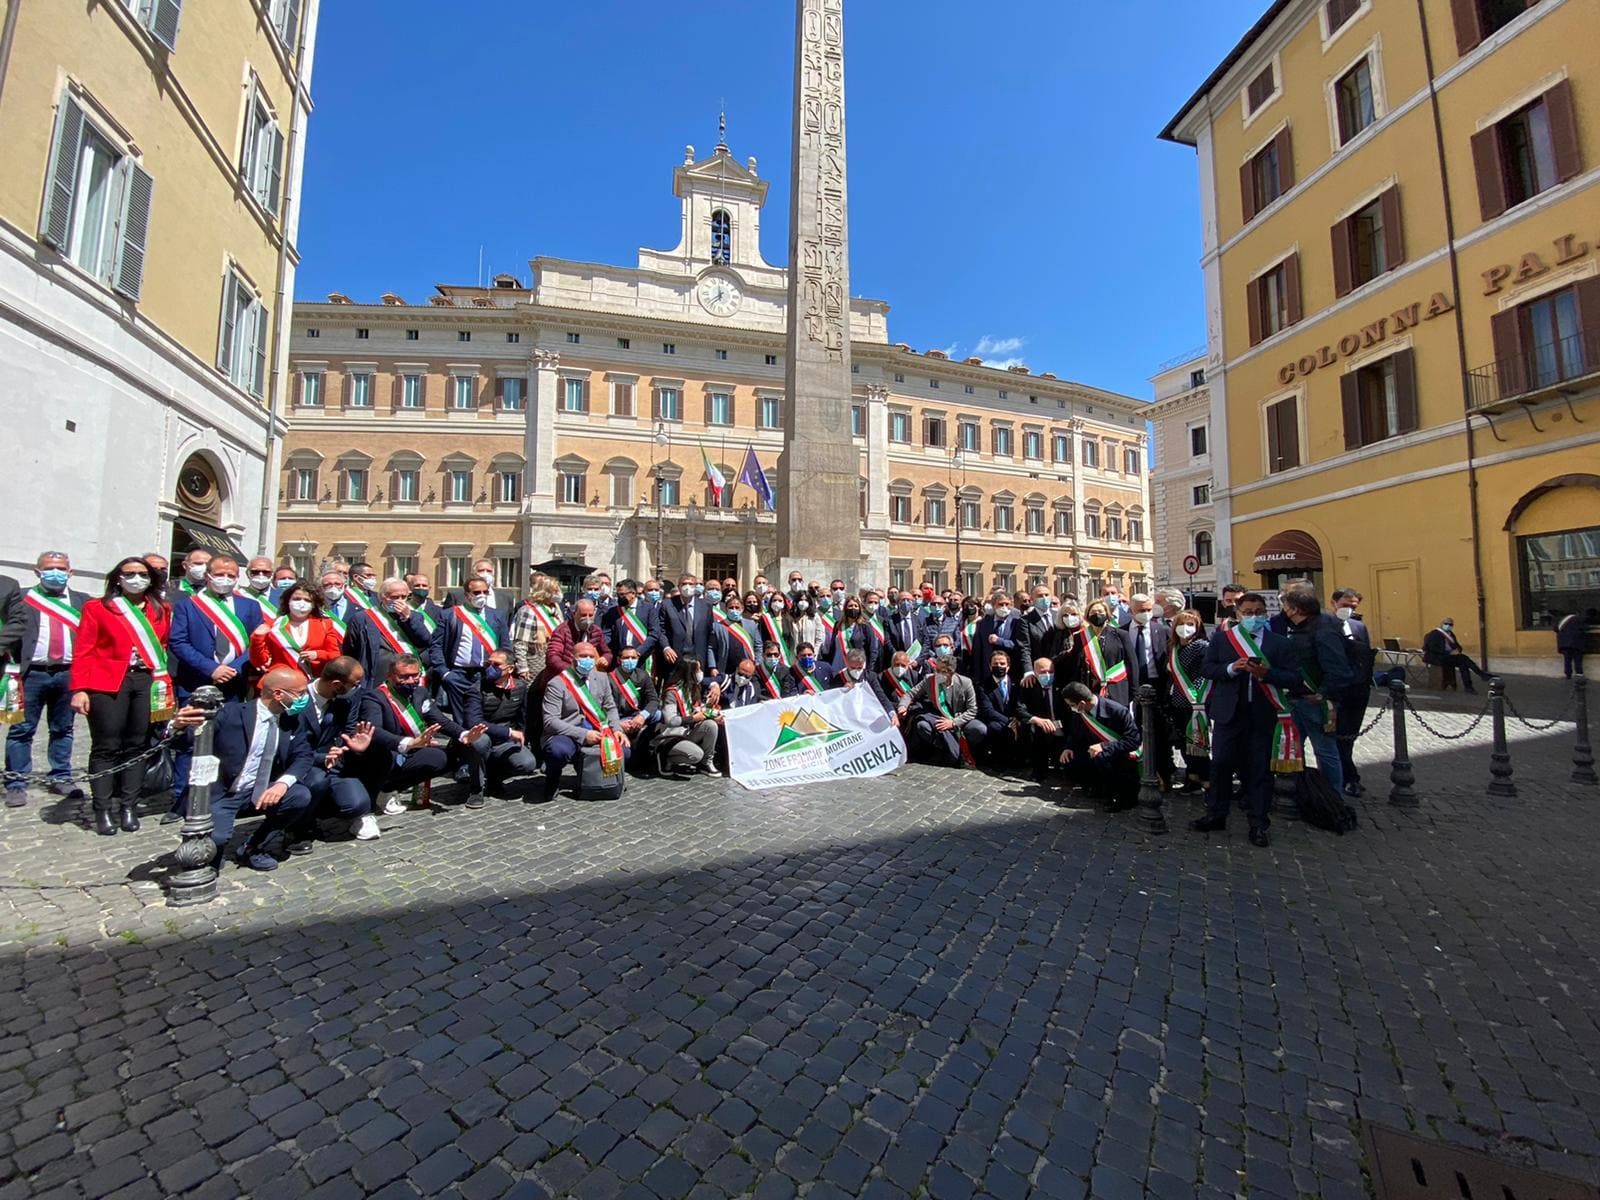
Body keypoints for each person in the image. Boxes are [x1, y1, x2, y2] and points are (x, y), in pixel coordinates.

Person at [70, 557, 173, 836]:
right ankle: (102, 807)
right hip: (107, 681)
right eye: (130, 573)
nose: (136, 578)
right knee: (107, 745)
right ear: (118, 577)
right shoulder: (98, 607)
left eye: (142, 574)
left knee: (137, 744)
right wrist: (79, 688)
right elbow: (84, 649)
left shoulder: (160, 608)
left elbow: (161, 646)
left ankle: (128, 804)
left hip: (145, 680)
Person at [1192, 592, 1300, 847]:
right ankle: (1216, 814)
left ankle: (1259, 823)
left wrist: (1267, 673)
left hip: (1262, 714)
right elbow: (1208, 669)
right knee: (1220, 765)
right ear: (1238, 614)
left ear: (1266, 613)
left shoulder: (1279, 643)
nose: (1254, 617)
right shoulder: (1223, 639)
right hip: (1229, 713)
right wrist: (1231, 668)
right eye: (1248, 612)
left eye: (1259, 612)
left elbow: (1294, 678)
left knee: (1259, 770)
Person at [207, 667, 318, 871]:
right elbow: (191, 741)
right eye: (300, 693)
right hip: (224, 793)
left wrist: (282, 784)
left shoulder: (292, 720)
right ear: (278, 694)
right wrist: (179, 726)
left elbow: (303, 755)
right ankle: (210, 841)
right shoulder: (232, 714)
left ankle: (254, 847)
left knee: (299, 796)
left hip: (260, 791)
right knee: (211, 851)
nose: (304, 698)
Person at [352, 655, 488, 814]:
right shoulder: (375, 697)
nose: (411, 681)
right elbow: (374, 731)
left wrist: (464, 734)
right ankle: (378, 790)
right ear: (390, 676)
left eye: (414, 675)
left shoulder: (420, 693)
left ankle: (389, 789)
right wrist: (409, 742)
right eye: (404, 677)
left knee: (444, 759)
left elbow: (439, 720)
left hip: (413, 750)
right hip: (386, 753)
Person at [6, 552, 89, 805]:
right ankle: (16, 782)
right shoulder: (21, 598)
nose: (56, 572)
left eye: (61, 568)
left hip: (67, 672)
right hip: (31, 673)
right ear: (37, 571)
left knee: (63, 728)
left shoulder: (82, 602)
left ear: (70, 572)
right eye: (50, 568)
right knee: (21, 729)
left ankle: (61, 777)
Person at [1277, 589, 1356, 796]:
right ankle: (1302, 791)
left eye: (1285, 606)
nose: (1283, 611)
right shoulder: (1302, 627)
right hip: (1296, 698)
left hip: (1314, 701)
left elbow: (1338, 668)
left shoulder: (1323, 629)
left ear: (1295, 610)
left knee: (1325, 751)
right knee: (1294, 749)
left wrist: (1323, 692)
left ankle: (1332, 797)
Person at [296, 656, 378, 841]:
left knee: (357, 804)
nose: (358, 687)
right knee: (316, 780)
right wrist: (320, 758)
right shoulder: (298, 699)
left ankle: (319, 808)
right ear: (336, 684)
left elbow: (348, 730)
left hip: (332, 763)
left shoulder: (347, 700)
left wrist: (350, 746)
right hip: (300, 763)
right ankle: (299, 825)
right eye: (355, 683)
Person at [540, 641, 629, 800]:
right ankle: (552, 780)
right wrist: (583, 734)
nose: (587, 659)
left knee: (625, 750)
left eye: (590, 656)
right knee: (557, 751)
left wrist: (617, 729)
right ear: (572, 659)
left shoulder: (602, 678)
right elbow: (550, 721)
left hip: (599, 730)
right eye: (583, 656)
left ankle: (603, 779)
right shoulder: (557, 684)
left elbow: (610, 707)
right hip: (570, 732)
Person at [168, 556, 263, 701]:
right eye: (219, 574)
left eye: (231, 575)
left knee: (231, 723)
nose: (225, 579)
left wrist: (233, 669)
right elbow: (178, 642)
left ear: (237, 578)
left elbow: (257, 643)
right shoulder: (187, 605)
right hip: (195, 680)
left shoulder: (250, 606)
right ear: (207, 575)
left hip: (235, 681)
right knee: (195, 724)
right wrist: (211, 668)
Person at [438, 576, 511, 727]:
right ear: (467, 595)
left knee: (482, 718)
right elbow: (436, 646)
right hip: (458, 673)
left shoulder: (497, 615)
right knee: (460, 721)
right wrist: (445, 673)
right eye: (477, 592)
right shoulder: (450, 615)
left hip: (487, 673)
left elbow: (505, 646)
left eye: (485, 592)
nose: (482, 596)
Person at [1117, 593, 1173, 789]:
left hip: (1156, 684)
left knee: (1159, 733)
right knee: (1134, 730)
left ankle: (1163, 775)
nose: (1146, 614)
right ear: (1131, 611)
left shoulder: (1162, 630)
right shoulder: (1122, 632)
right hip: (1132, 685)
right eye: (1141, 611)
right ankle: (1136, 773)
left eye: (1149, 610)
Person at [1058, 681, 1141, 810]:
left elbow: (1133, 741)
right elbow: (1074, 733)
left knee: (1102, 756)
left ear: (1082, 703)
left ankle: (1118, 796)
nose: (1071, 708)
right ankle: (1095, 786)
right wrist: (1068, 747)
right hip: (1092, 752)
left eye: (1072, 705)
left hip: (1118, 755)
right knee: (1071, 760)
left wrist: (1104, 746)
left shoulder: (1117, 711)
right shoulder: (1080, 712)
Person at [343, 577, 439, 683]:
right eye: (394, 597)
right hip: (376, 676)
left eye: (403, 597)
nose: (400, 601)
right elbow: (350, 650)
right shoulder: (363, 618)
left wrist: (408, 619)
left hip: (407, 676)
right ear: (383, 597)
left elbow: (425, 641)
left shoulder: (415, 616)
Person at [475, 649, 541, 799]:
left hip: (505, 741)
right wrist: (510, 733)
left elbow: (522, 716)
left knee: (527, 763)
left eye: (496, 664)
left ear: (510, 669)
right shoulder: (477, 688)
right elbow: (474, 721)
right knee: (480, 742)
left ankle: (494, 777)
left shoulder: (520, 687)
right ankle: (476, 789)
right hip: (482, 736)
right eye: (488, 664)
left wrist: (521, 735)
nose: (490, 668)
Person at [908, 638, 980, 767]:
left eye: (943, 671)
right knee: (922, 726)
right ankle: (944, 750)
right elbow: (911, 694)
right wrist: (903, 706)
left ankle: (964, 752)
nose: (938, 674)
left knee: (979, 729)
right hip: (939, 719)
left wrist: (953, 723)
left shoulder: (965, 682)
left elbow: (972, 710)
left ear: (952, 673)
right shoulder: (930, 680)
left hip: (959, 719)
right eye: (937, 670)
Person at [1330, 588, 1374, 797]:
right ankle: (1349, 777)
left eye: (1353, 606)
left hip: (1358, 690)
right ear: (1334, 603)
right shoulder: (1324, 625)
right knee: (1338, 736)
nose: (1349, 609)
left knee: (1349, 736)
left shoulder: (1359, 627)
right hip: (1335, 690)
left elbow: (1365, 657)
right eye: (1345, 605)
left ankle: (1345, 775)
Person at [249, 581, 343, 676]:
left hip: (310, 680)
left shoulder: (325, 624)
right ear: (288, 601)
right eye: (297, 599)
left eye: (307, 600)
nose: (301, 603)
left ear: (314, 604)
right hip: (280, 680)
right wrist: (257, 638)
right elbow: (259, 661)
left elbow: (335, 655)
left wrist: (318, 654)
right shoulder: (273, 625)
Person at [1166, 610, 1212, 793]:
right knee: (1184, 744)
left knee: (1197, 743)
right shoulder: (1174, 648)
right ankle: (1192, 778)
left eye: (1191, 624)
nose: (1185, 628)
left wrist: (1196, 696)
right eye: (1181, 624)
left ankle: (1207, 780)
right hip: (1177, 701)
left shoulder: (1202, 646)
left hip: (1196, 703)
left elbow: (1205, 674)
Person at [658, 657, 723, 776]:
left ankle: (707, 763)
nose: (700, 673)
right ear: (689, 672)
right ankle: (666, 758)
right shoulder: (671, 693)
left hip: (687, 732)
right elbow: (671, 720)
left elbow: (695, 709)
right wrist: (693, 718)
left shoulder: (693, 688)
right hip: (671, 736)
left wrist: (711, 714)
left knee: (711, 725)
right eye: (698, 670)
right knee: (696, 755)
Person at [607, 645, 664, 769]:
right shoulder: (609, 678)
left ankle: (653, 746)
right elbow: (604, 707)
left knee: (660, 714)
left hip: (637, 716)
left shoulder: (643, 676)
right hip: (619, 719)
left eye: (633, 657)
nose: (630, 660)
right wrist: (618, 724)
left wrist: (642, 716)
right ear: (618, 660)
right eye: (626, 658)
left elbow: (654, 700)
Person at [1016, 657, 1068, 782]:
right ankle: (1038, 770)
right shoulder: (1028, 686)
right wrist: (1036, 719)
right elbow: (1019, 709)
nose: (1047, 675)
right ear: (1035, 673)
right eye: (1043, 672)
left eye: (1050, 672)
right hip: (1041, 730)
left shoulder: (1062, 686)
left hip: (1062, 729)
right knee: (1030, 731)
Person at [973, 649, 1021, 767]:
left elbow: (1020, 704)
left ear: (1008, 666)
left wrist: (1015, 719)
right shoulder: (983, 686)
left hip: (1014, 718)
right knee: (996, 728)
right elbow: (987, 710)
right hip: (995, 720)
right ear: (990, 666)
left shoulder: (1016, 683)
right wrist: (1009, 722)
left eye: (1002, 664)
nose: (999, 666)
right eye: (995, 664)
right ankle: (998, 760)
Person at [511, 575, 565, 680]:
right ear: (545, 592)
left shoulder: (556, 609)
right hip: (536, 661)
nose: (558, 594)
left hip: (556, 658)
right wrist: (523, 667)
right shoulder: (528, 610)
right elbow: (521, 642)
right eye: (555, 591)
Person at [1077, 599, 1130, 704]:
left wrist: (1134, 691)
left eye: (1101, 612)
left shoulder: (1121, 635)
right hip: (1090, 690)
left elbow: (1131, 663)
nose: (1097, 615)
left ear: (1107, 614)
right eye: (1093, 612)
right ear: (1087, 615)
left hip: (1117, 688)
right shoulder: (1081, 637)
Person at [602, 580, 660, 675]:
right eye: (618, 594)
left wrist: (638, 652)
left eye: (622, 594)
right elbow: (607, 633)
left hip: (641, 658)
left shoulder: (648, 609)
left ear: (633, 594)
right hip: (619, 660)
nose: (619, 597)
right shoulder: (613, 611)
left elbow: (654, 634)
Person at [660, 575, 712, 673]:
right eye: (684, 584)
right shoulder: (667, 605)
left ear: (695, 586)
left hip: (698, 657)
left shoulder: (706, 606)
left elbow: (710, 631)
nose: (687, 587)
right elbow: (661, 630)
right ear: (679, 587)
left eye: (691, 584)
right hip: (675, 656)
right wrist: (666, 647)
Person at [1422, 616, 1488, 692]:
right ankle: (1480, 675)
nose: (1448, 626)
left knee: (1463, 663)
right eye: (1446, 623)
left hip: (1449, 657)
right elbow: (1432, 648)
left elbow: (1458, 646)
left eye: (1450, 624)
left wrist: (1458, 650)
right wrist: (1449, 652)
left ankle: (1468, 686)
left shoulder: (1451, 634)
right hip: (1437, 657)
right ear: (1441, 624)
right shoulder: (1434, 634)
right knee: (1464, 659)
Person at [975, 595, 1029, 683]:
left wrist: (999, 641)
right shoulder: (983, 623)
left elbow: (1020, 645)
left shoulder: (1018, 622)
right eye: (1000, 604)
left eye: (1007, 604)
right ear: (993, 605)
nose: (1004, 607)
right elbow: (978, 650)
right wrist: (977, 676)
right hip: (988, 673)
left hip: (1011, 672)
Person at [710, 594, 763, 683]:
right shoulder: (718, 626)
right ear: (726, 609)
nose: (734, 610)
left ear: (742, 609)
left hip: (746, 668)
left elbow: (758, 645)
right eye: (731, 607)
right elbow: (711, 648)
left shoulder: (751, 624)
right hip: (726, 668)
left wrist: (757, 663)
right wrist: (713, 667)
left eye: (737, 607)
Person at [831, 647, 894, 720]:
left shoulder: (870, 677)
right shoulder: (839, 678)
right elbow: (832, 700)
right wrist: (841, 691)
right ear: (847, 663)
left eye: (859, 668)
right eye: (853, 668)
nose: (857, 671)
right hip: (846, 716)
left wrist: (892, 713)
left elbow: (881, 696)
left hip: (867, 714)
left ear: (863, 664)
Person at [1021, 586, 1067, 666]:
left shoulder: (1059, 616)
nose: (1044, 598)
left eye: (1046, 595)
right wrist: (1028, 670)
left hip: (1060, 665)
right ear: (1032, 599)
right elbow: (1025, 648)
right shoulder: (1025, 621)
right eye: (1040, 596)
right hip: (1039, 667)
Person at [1557, 610, 1586, 678]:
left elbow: (1556, 628)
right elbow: (1585, 628)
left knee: (1567, 660)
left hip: (1565, 644)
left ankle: (1568, 674)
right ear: (1577, 613)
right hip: (1576, 643)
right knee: (1578, 659)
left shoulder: (1562, 620)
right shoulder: (1579, 619)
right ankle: (1579, 673)